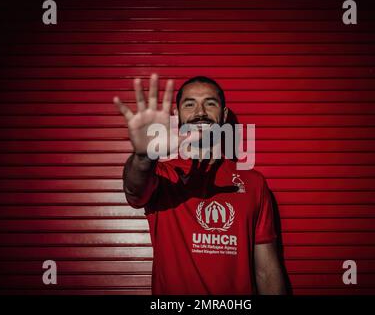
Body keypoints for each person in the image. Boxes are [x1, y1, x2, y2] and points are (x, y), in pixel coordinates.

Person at [113, 73, 287, 295]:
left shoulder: (253, 183)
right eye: (190, 104)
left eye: (210, 103)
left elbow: (267, 271)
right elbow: (133, 190)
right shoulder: (162, 175)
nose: (200, 113)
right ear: (177, 115)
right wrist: (144, 155)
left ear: (223, 115)